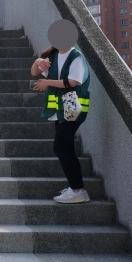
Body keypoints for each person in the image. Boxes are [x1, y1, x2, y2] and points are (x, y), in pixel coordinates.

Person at [30, 20, 91, 204]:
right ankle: (76, 188)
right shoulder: (53, 55)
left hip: (73, 107)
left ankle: (78, 190)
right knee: (67, 148)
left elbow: (73, 82)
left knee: (61, 147)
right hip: (59, 109)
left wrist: (47, 82)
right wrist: (37, 61)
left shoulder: (76, 57)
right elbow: (34, 72)